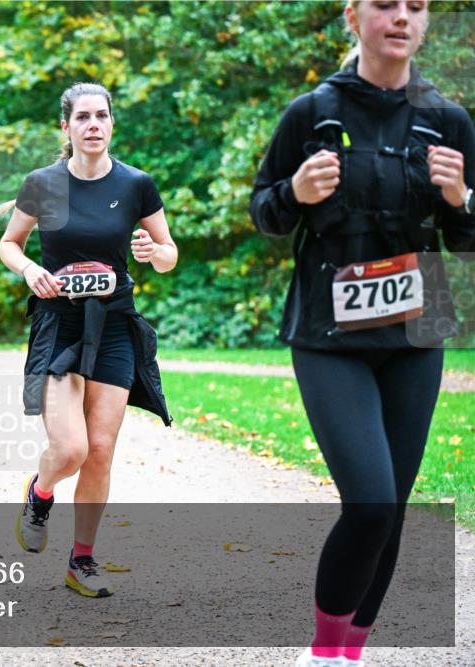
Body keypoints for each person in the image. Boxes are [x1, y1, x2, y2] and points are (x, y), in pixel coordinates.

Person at [250, 2, 474, 665]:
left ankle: (351, 654)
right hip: (329, 336)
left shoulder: (449, 121)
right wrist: (294, 190)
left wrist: (462, 198)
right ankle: (322, 653)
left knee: (394, 508)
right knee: (371, 502)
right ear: (354, 16)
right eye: (385, 3)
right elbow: (265, 213)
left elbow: (466, 240)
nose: (401, 16)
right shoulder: (311, 113)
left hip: (414, 331)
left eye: (417, 6)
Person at [0, 82, 176, 598]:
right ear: (67, 126)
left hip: (116, 325)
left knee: (100, 450)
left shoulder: (137, 184)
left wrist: (152, 252)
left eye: (102, 116)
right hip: (60, 325)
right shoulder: (42, 183)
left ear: (111, 124)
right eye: (83, 117)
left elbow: (169, 252)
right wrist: (30, 269)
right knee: (70, 447)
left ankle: (82, 560)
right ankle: (40, 491)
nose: (93, 125)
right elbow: (10, 244)